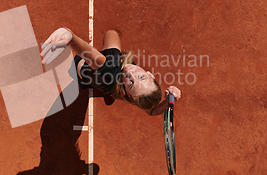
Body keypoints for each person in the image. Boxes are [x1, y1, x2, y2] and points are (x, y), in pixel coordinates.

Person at [40, 27, 181, 116]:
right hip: (102, 82)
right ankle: (108, 94)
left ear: (129, 93)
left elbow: (91, 55)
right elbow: (152, 111)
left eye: (131, 83)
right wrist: (170, 103)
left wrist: (69, 36)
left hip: (81, 70)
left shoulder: (111, 64)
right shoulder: (136, 96)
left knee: (111, 33)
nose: (131, 74)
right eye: (141, 77)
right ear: (150, 74)